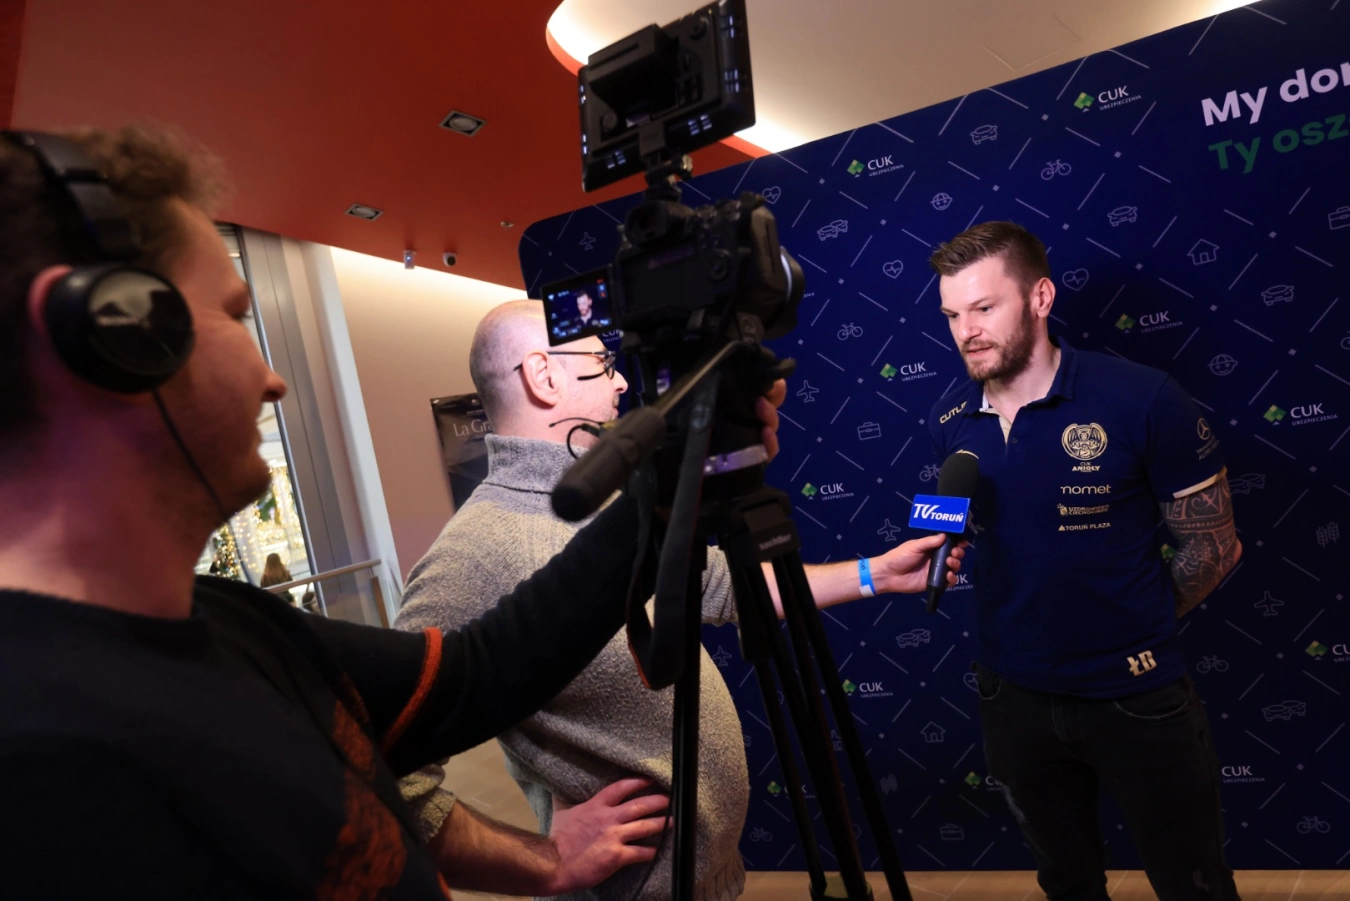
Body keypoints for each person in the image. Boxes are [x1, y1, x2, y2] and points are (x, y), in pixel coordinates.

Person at [0, 126, 789, 898]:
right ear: (115, 336)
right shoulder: (40, 763)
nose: (273, 380)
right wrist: (544, 859)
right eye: (235, 316)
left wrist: (669, 483)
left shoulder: (236, 622)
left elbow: (477, 673)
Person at [394, 300, 966, 901]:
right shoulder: (472, 554)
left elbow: (724, 585)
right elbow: (387, 774)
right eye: (602, 362)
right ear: (544, 376)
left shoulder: (612, 503)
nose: (621, 381)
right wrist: (545, 862)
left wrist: (878, 574)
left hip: (711, 878)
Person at [926, 221, 1242, 901]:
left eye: (984, 308)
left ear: (1040, 298)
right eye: (952, 315)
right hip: (1012, 697)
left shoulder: (1142, 398)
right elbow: (950, 528)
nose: (966, 331)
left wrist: (1134, 623)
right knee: (1066, 884)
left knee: (1195, 884)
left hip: (1137, 694)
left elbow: (1215, 546)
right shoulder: (948, 418)